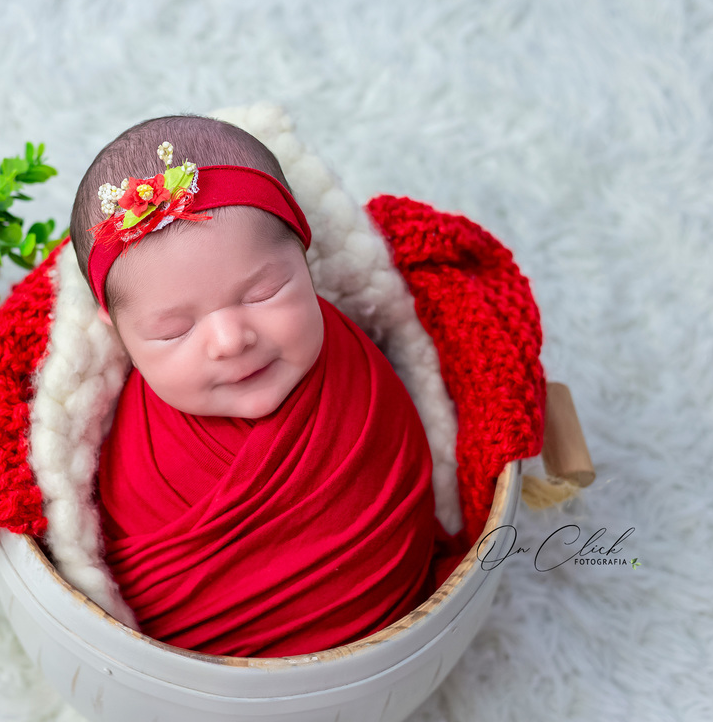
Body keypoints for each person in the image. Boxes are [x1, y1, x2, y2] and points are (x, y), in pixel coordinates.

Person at [68, 115, 440, 657]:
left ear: (304, 251)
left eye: (264, 291)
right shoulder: (130, 441)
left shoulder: (360, 382)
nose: (229, 339)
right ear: (118, 333)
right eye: (175, 329)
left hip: (388, 654)